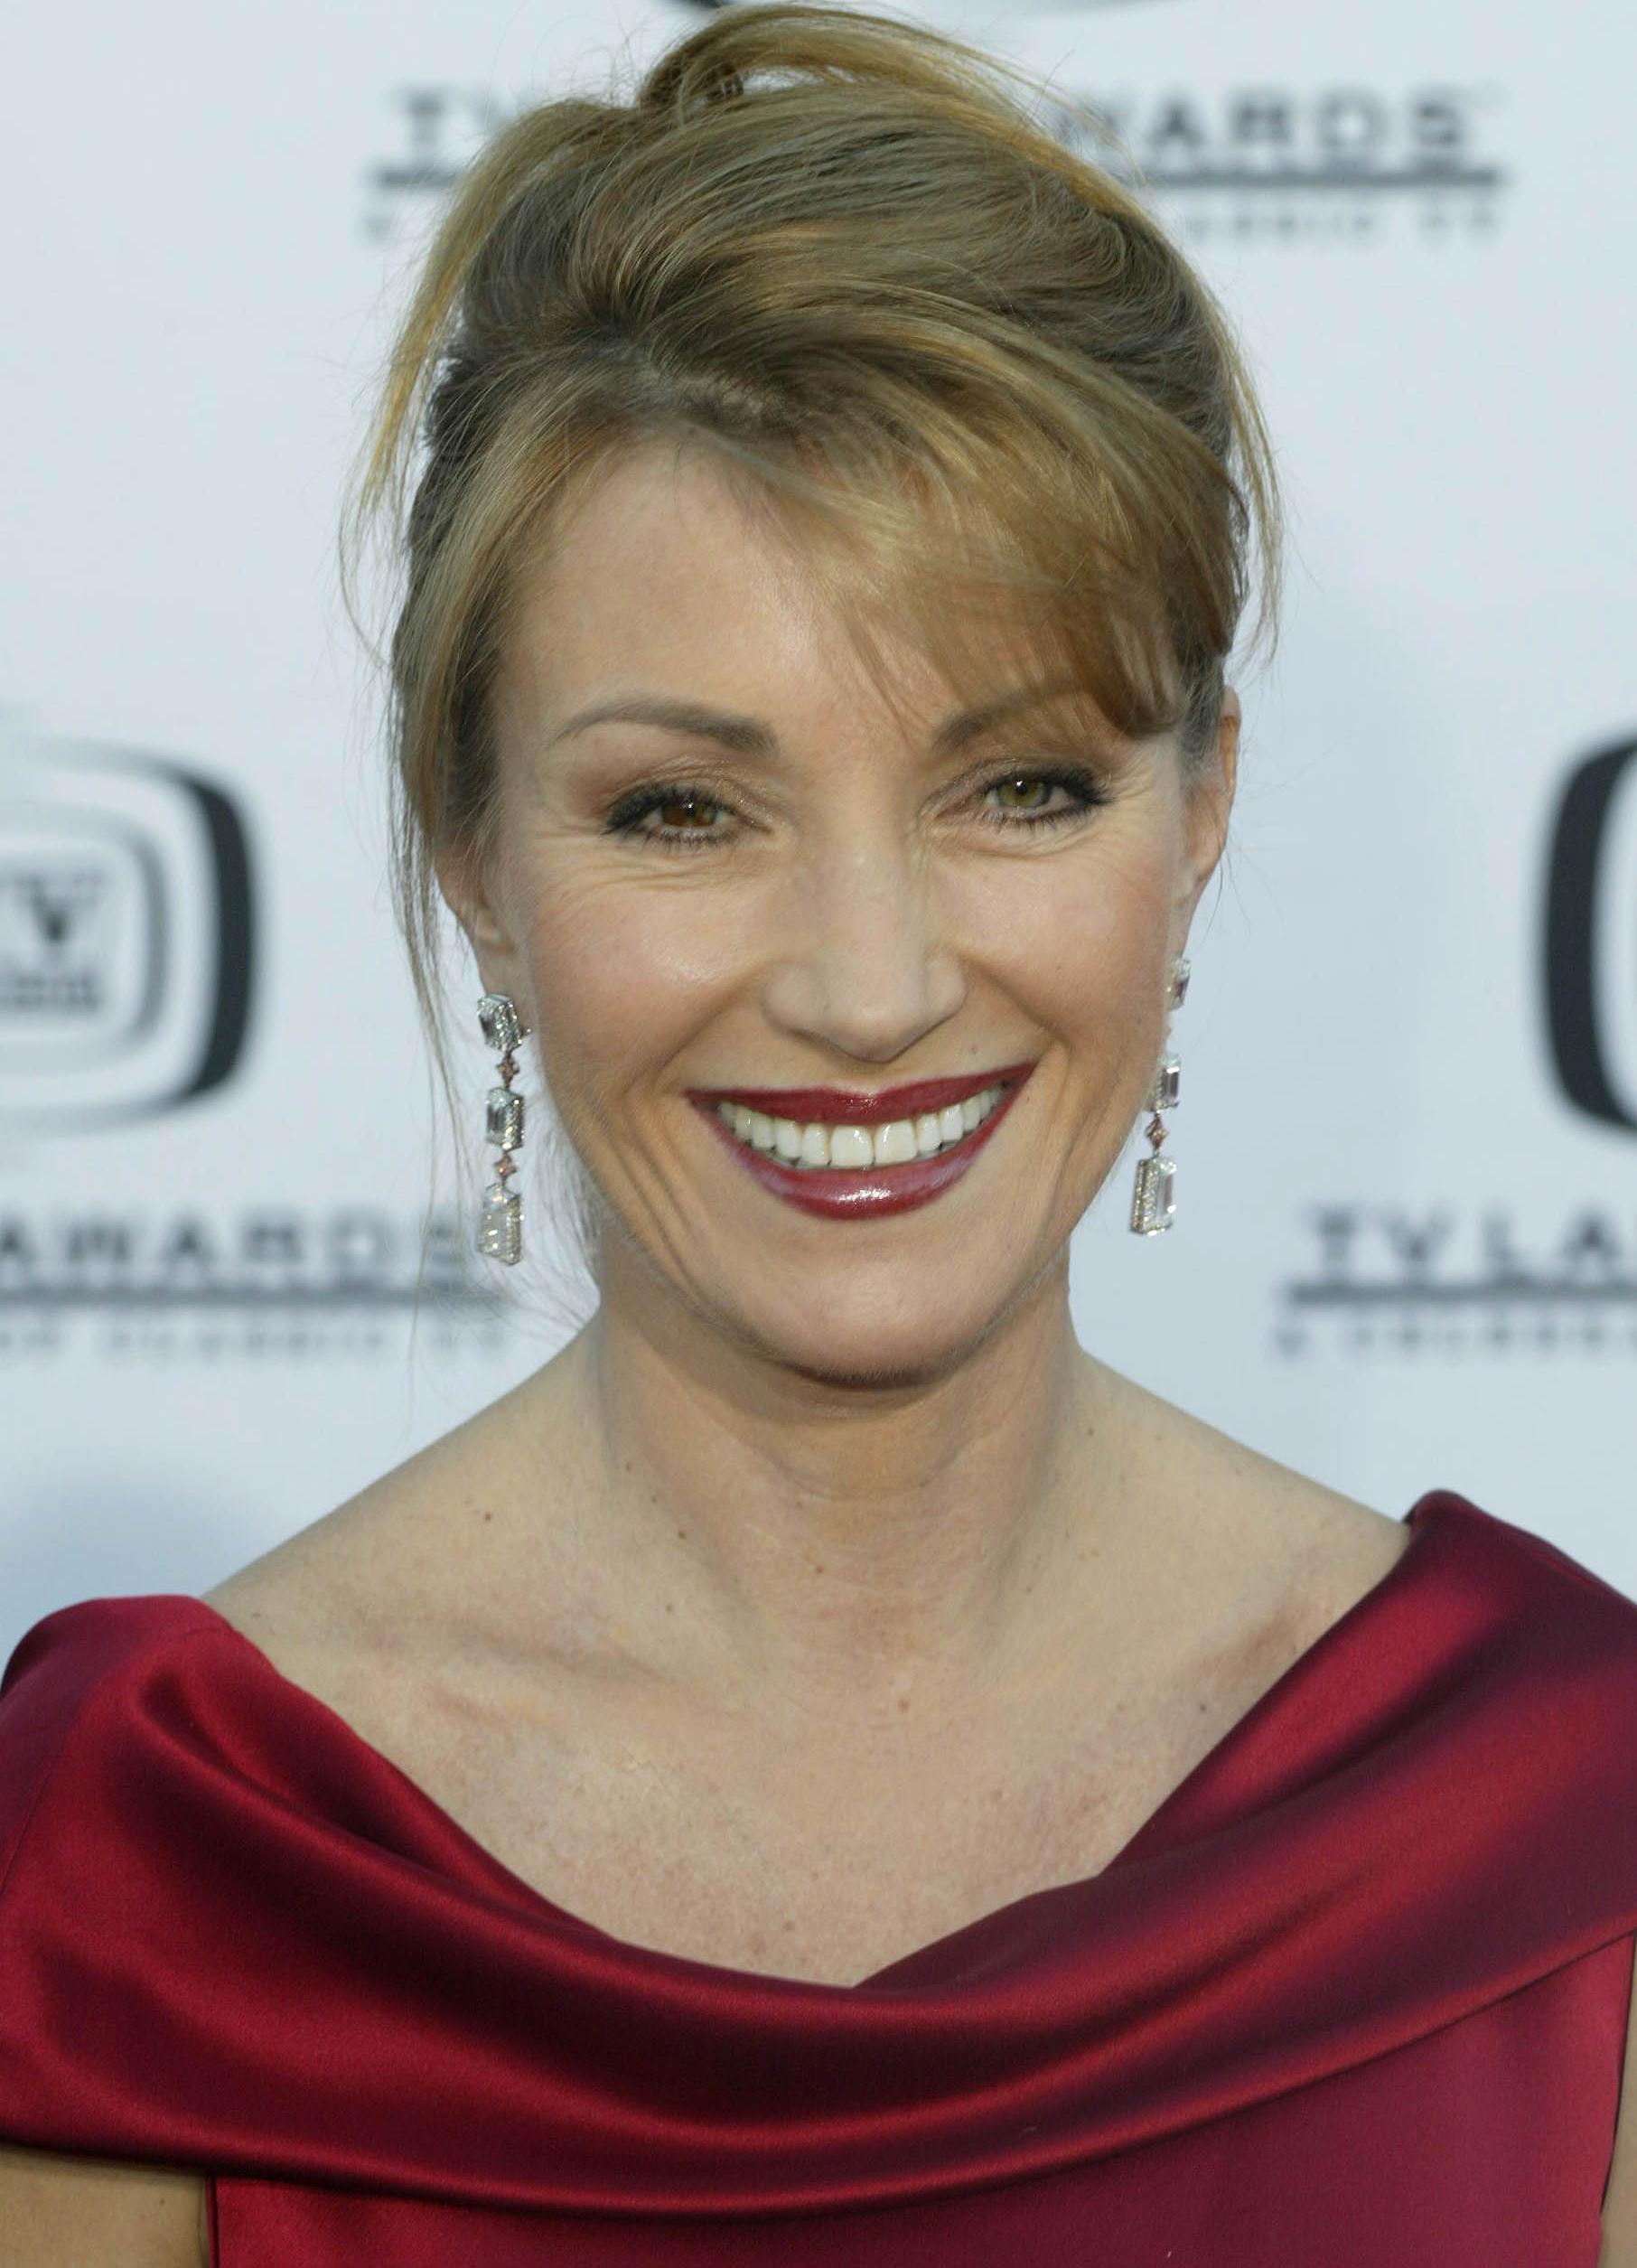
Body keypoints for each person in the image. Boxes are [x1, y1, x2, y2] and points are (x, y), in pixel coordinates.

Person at [5, 6, 1637, 2261]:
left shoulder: (1549, 1829)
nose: (869, 989)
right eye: (683, 809)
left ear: (1203, 813)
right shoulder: (150, 1874)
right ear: (474, 853)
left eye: (1021, 787)